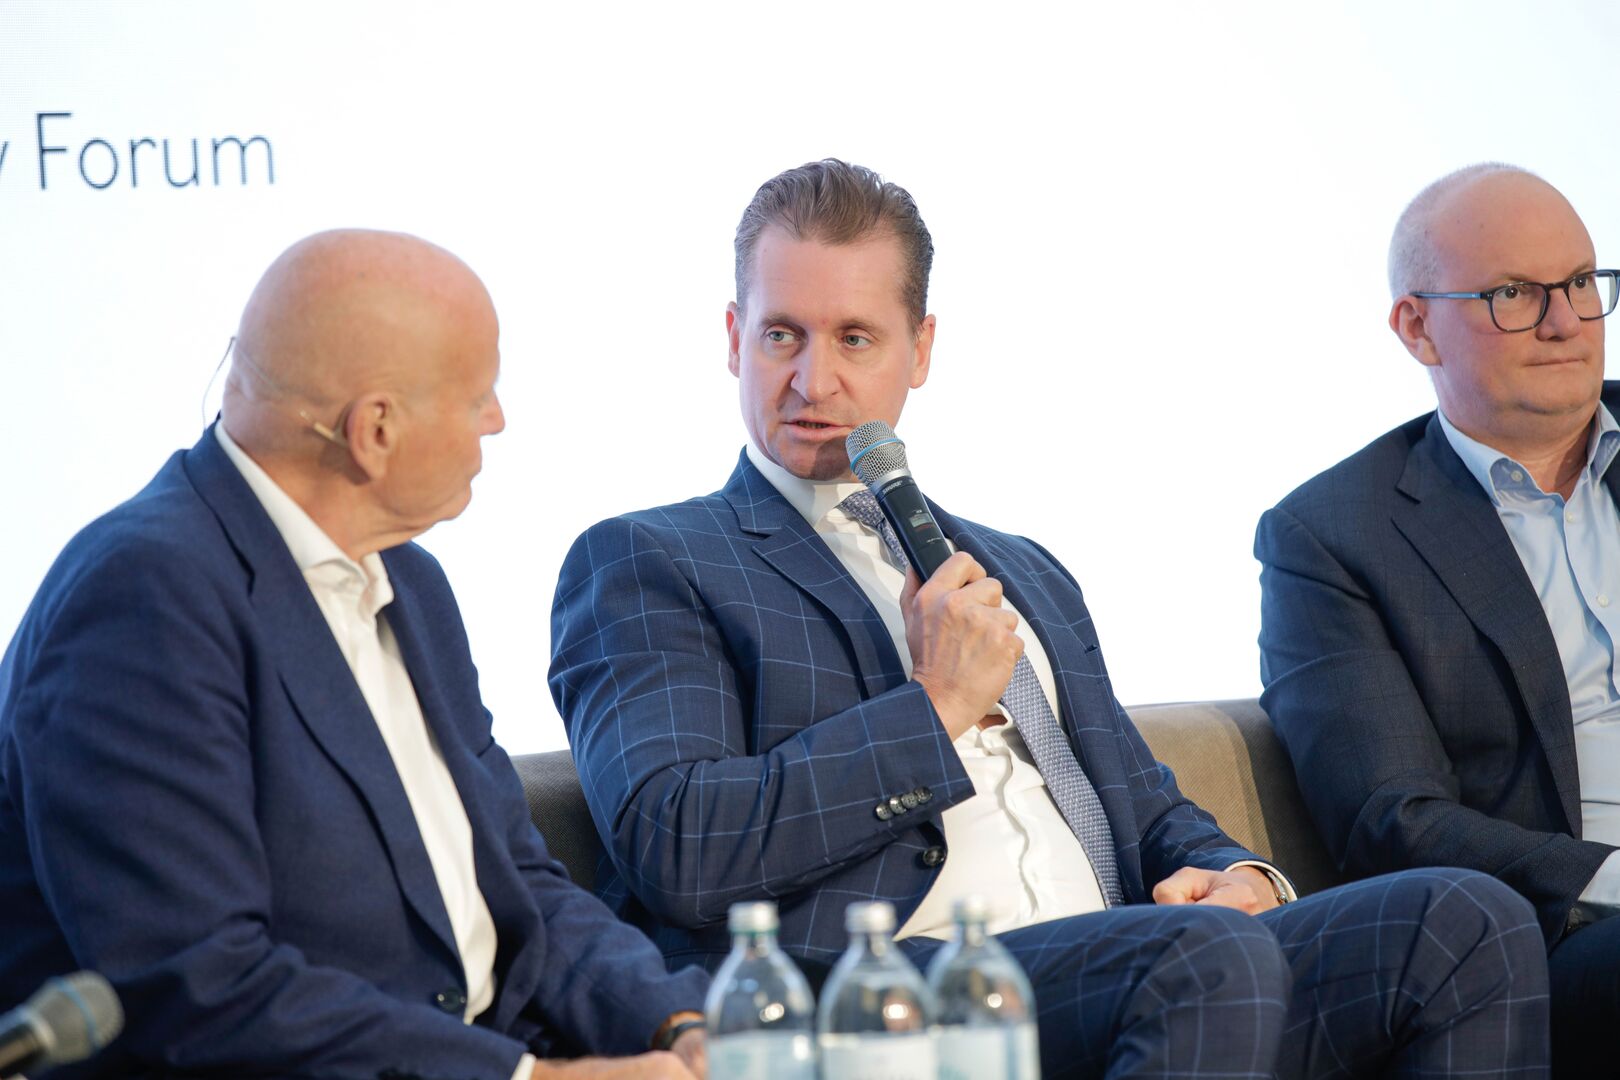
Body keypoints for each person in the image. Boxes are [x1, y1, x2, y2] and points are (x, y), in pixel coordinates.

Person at [550, 159, 1551, 1079]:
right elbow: (676, 843)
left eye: (854, 338)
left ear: (920, 350)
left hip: (1136, 967)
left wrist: (1235, 874)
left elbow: (1142, 805)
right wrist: (935, 706)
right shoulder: (652, 559)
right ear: (735, 338)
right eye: (782, 336)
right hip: (880, 994)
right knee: (1200, 957)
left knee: (1467, 921)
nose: (815, 381)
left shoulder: (1024, 568)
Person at [0, 229, 708, 1079]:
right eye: (479, 396)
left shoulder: (410, 582)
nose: (498, 419)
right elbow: (200, 986)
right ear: (374, 429)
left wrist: (676, 1023)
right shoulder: (141, 599)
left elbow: (517, 880)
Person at [1256, 162, 1620, 1076]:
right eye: (1514, 294)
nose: (1567, 322)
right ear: (1417, 327)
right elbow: (1393, 820)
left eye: (1581, 282)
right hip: (1571, 935)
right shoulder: (1334, 536)